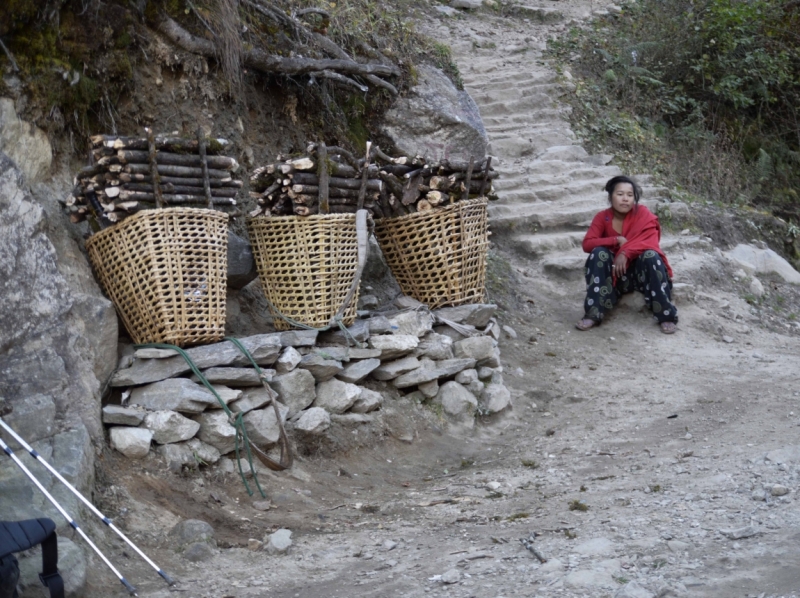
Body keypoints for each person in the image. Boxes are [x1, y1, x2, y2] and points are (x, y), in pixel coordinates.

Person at [575, 175, 678, 334]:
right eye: (620, 194)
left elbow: (650, 242)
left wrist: (626, 252)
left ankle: (666, 315)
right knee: (598, 253)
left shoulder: (642, 214)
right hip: (614, 275)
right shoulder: (603, 217)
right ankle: (593, 313)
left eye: (630, 195)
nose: (625, 199)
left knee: (651, 255)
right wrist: (616, 240)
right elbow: (587, 244)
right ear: (611, 196)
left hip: (641, 275)